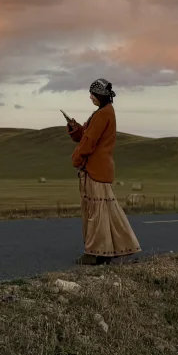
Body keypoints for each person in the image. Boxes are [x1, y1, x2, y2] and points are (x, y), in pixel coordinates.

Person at [65, 78, 141, 265]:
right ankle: (109, 250)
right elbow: (87, 135)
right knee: (105, 211)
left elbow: (89, 141)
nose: (90, 97)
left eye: (93, 94)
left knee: (95, 212)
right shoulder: (105, 112)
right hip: (101, 169)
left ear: (100, 95)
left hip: (95, 169)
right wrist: (76, 129)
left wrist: (76, 159)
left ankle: (94, 253)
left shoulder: (102, 115)